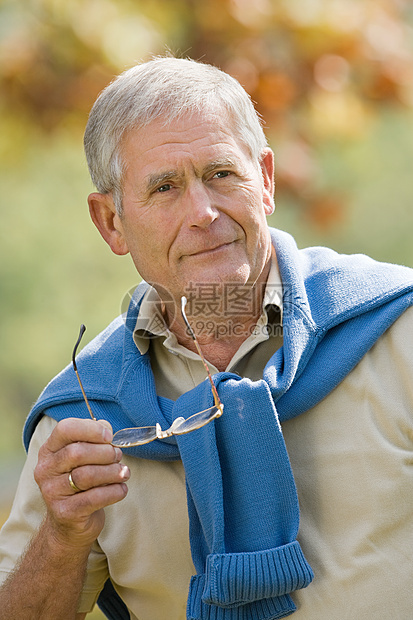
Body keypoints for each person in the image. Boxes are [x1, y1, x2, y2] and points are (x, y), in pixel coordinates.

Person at [1, 56, 413, 620]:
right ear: (111, 223)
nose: (203, 212)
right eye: (165, 187)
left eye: (220, 174)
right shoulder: (85, 410)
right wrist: (61, 537)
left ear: (265, 181)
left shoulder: (398, 333)